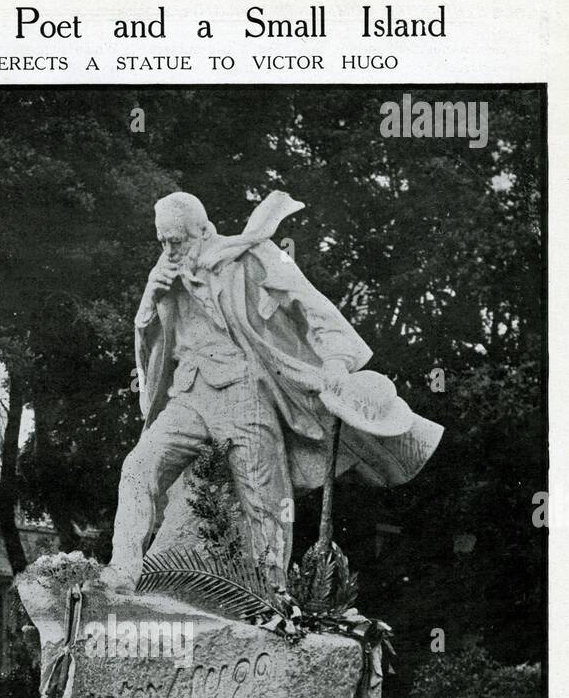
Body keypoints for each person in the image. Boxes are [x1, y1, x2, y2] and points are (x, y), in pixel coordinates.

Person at [105, 189, 442, 591]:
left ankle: (271, 596)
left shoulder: (252, 254)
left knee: (264, 503)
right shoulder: (164, 275)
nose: (169, 250)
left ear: (204, 229)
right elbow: (152, 353)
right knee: (139, 467)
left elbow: (310, 302)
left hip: (244, 395)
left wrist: (335, 359)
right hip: (189, 395)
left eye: (176, 241)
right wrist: (149, 299)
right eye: (161, 241)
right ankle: (122, 572)